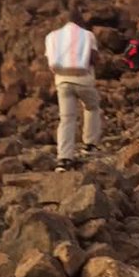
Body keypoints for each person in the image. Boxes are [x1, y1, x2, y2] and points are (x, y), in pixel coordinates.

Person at [44, 11, 102, 171]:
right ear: (79, 21)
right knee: (92, 107)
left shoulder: (52, 36)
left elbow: (51, 60)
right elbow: (94, 58)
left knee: (66, 119)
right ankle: (90, 144)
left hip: (62, 81)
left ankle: (64, 159)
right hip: (83, 79)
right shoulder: (88, 35)